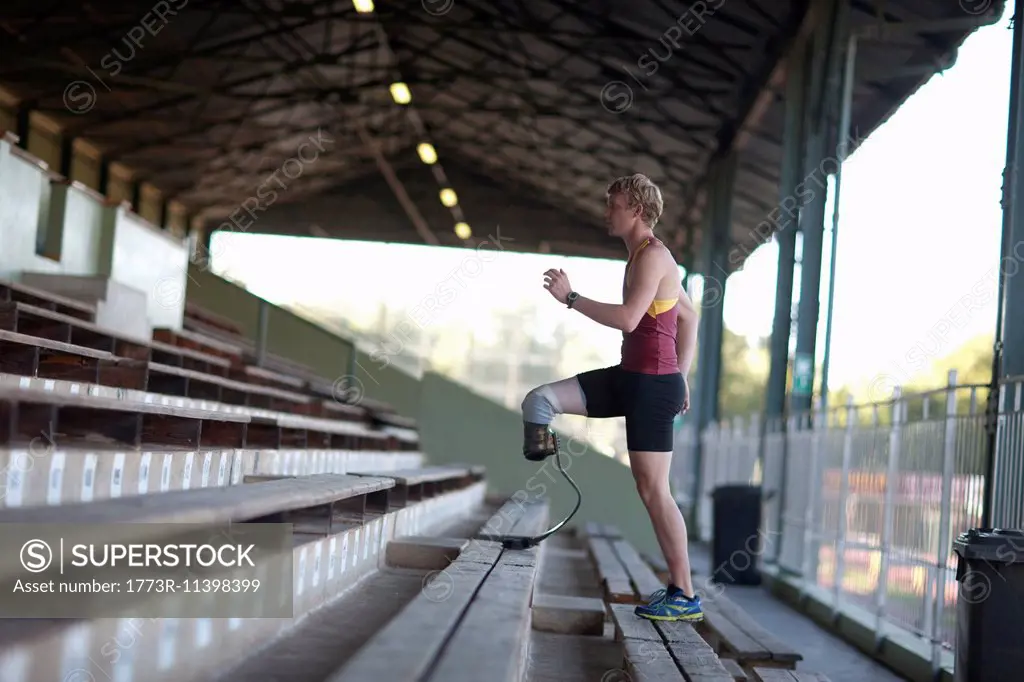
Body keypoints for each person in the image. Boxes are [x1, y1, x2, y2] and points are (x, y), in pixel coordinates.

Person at [521, 172, 702, 622]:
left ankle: (684, 593)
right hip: (632, 378)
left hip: (651, 388)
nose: (607, 211)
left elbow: (627, 319)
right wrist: (684, 376)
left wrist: (571, 297)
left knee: (653, 489)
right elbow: (690, 316)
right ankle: (542, 447)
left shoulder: (654, 257)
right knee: (539, 400)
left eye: (614, 204)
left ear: (636, 210)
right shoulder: (643, 255)